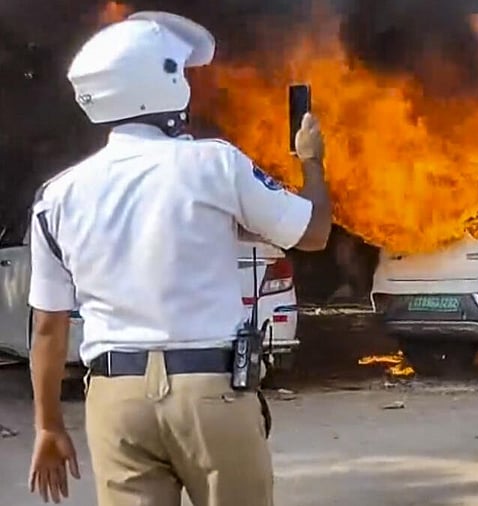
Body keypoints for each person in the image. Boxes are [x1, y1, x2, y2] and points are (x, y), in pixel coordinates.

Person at [27, 11, 332, 506]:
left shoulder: (56, 197)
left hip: (115, 400)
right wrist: (311, 160)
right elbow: (314, 231)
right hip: (208, 392)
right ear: (165, 81)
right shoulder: (214, 163)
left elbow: (47, 327)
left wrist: (47, 426)